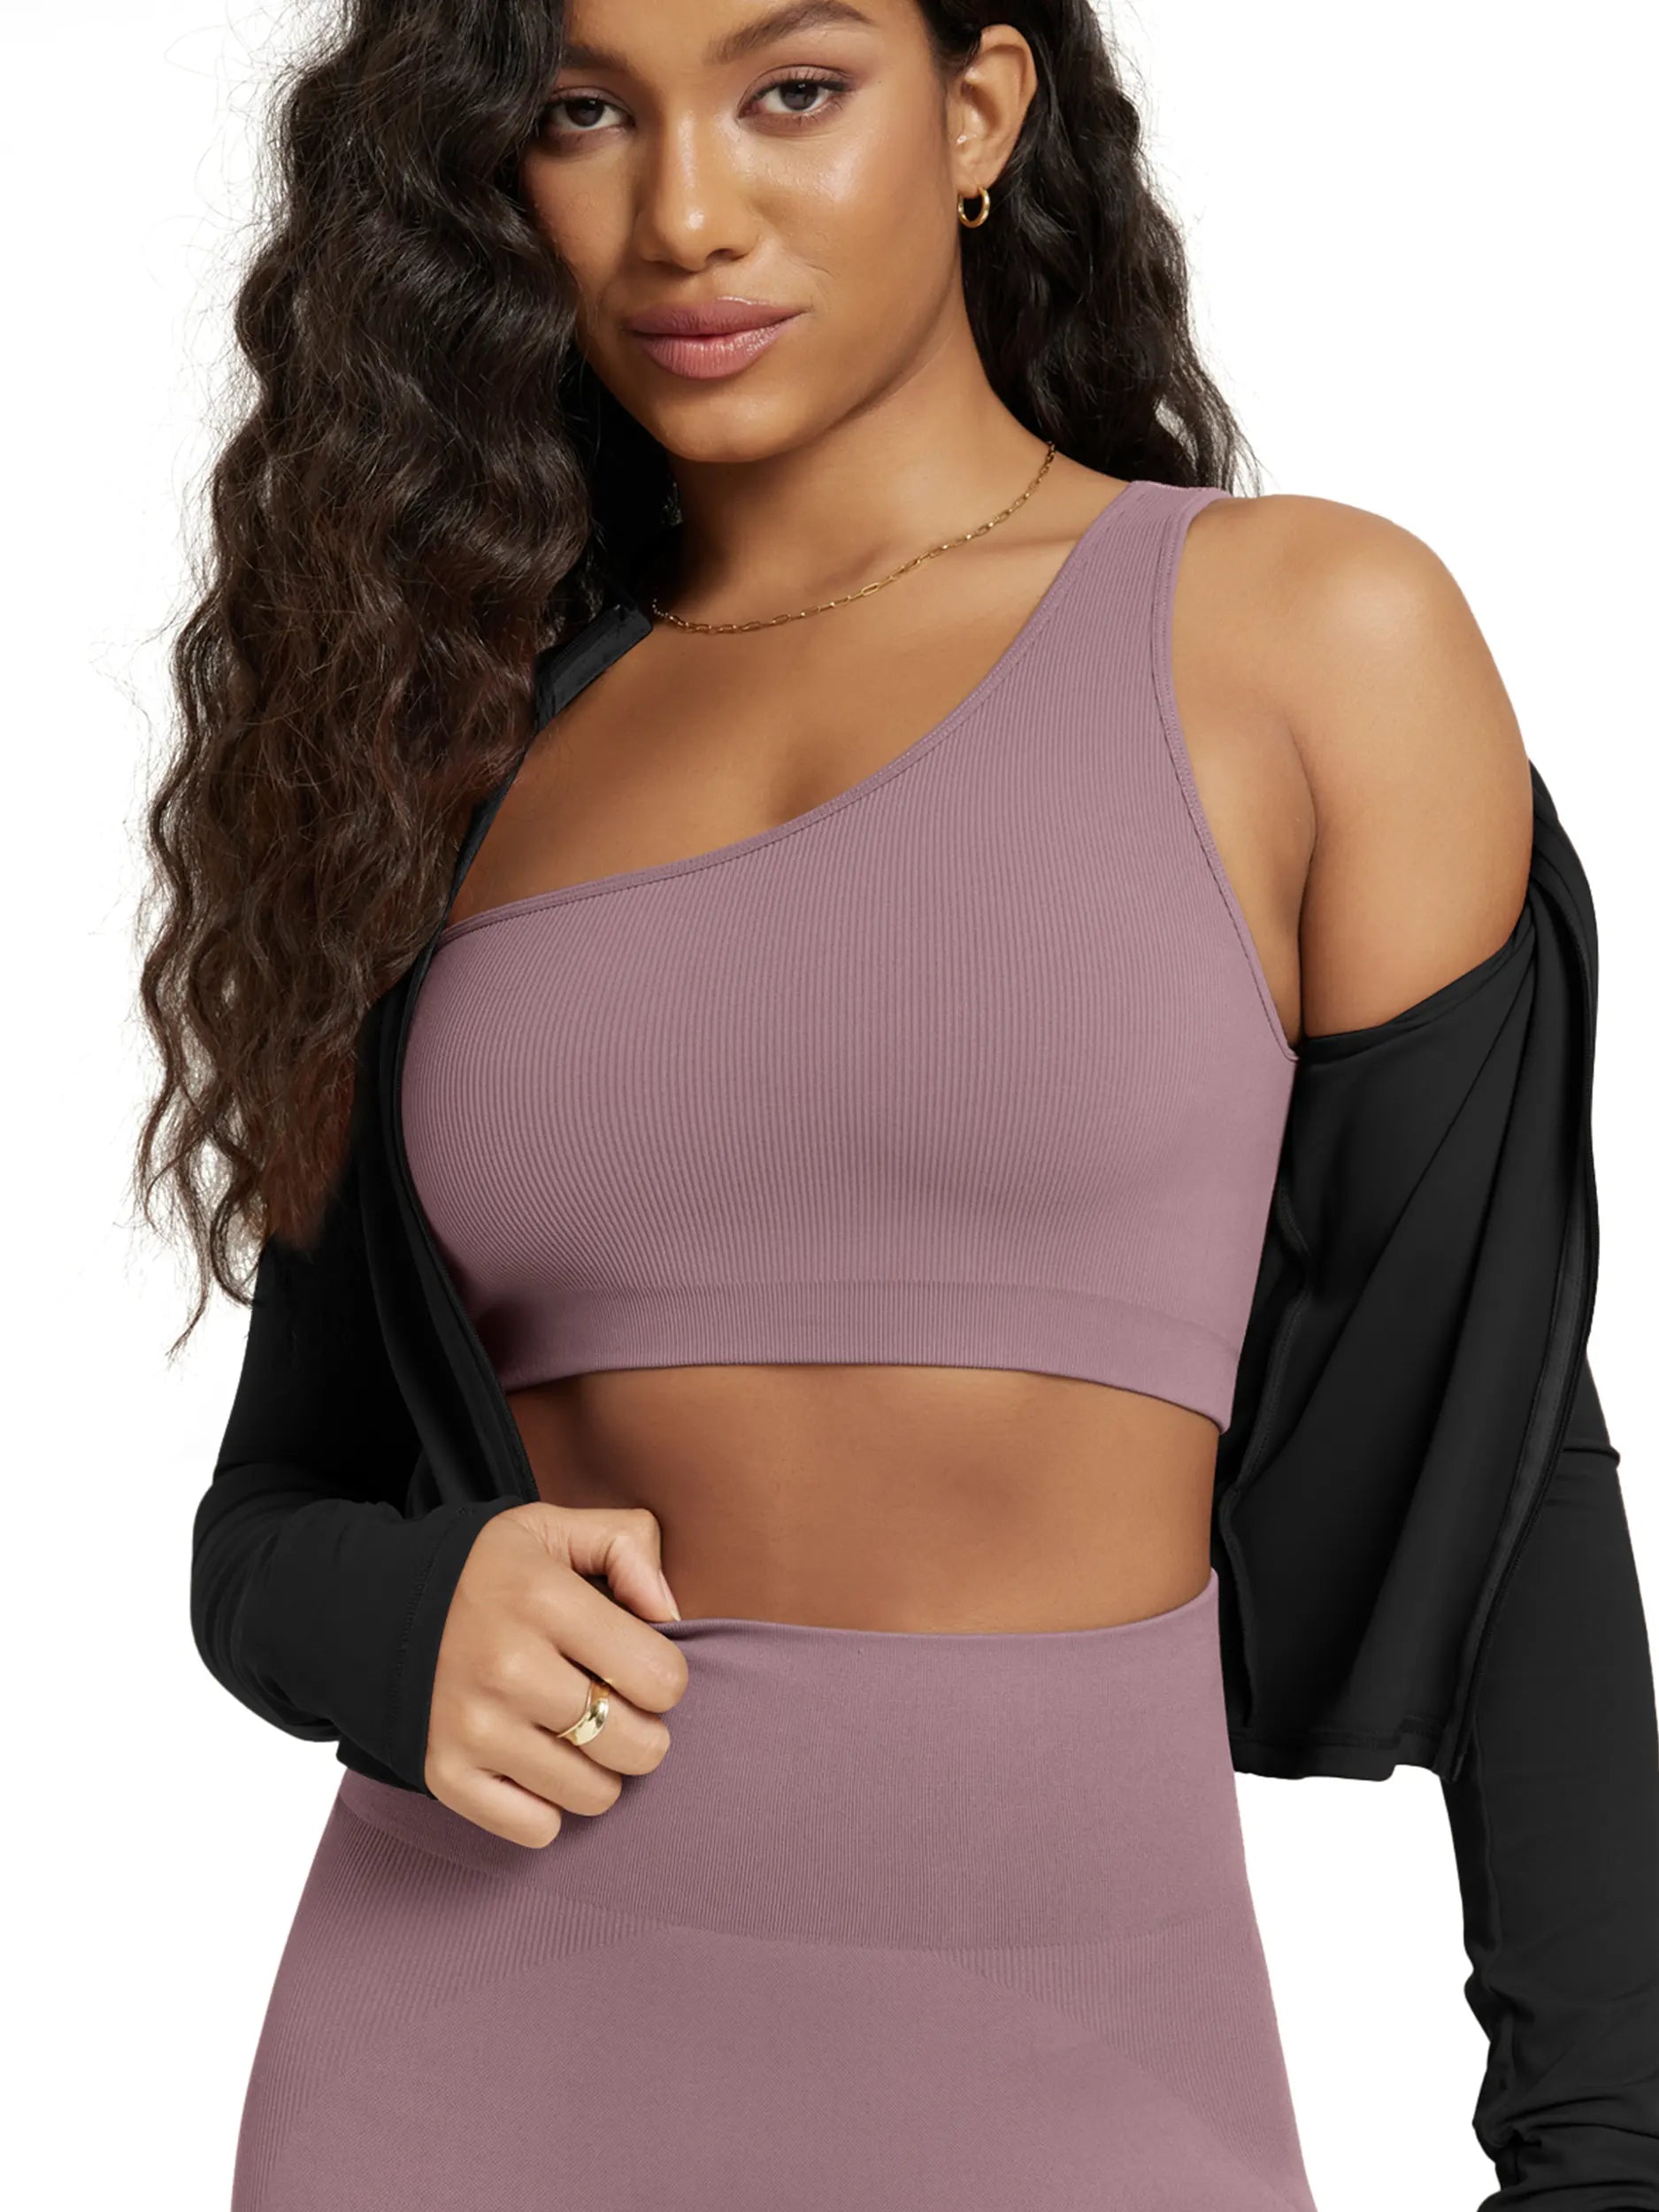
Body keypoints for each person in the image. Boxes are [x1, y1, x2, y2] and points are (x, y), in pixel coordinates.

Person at [136, 3, 1659, 2206]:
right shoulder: (439, 743)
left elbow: (1505, 1453)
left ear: (974, 112)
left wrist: (1600, 2155)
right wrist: (406, 1614)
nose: (682, 213)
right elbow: (269, 1515)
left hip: (1079, 2068)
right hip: (452, 2063)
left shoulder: (1304, 642)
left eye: (790, 91)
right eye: (583, 113)